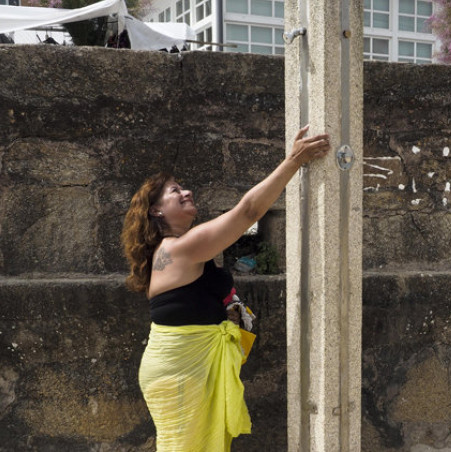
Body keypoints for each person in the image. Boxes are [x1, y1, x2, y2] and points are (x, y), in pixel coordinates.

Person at [121, 125, 330, 451]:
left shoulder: (172, 250)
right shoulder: (179, 249)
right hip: (180, 373)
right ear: (156, 210)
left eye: (183, 187)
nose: (187, 192)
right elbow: (248, 212)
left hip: (182, 368)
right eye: (175, 190)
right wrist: (293, 161)